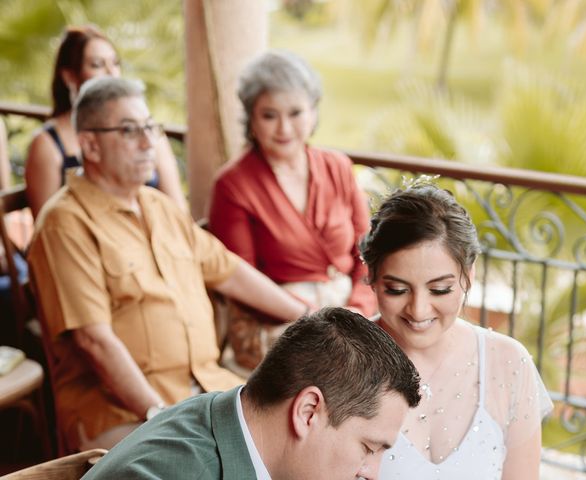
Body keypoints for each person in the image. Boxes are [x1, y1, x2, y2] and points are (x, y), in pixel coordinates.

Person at [27, 76, 311, 453]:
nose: (149, 143)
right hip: (124, 411)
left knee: (305, 437)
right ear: (91, 145)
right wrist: (162, 418)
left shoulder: (158, 206)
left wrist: (309, 317)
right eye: (129, 131)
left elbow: (228, 270)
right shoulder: (65, 223)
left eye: (150, 128)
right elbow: (94, 342)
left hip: (207, 388)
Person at [82, 307, 421, 480]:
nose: (372, 472)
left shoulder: (231, 420)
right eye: (368, 448)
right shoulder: (177, 473)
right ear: (307, 411)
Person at [359, 181, 554, 479]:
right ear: (371, 275)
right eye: (397, 289)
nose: (419, 310)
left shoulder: (509, 364)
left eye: (440, 289)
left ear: (469, 274)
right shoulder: (343, 363)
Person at [209, 50, 376, 371]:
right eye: (269, 115)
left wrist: (360, 307)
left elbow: (368, 252)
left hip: (351, 310)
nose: (284, 128)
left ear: (313, 113)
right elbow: (239, 279)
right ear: (251, 120)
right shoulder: (232, 185)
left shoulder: (337, 166)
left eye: (296, 112)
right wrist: (309, 315)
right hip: (281, 319)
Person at [25, 25, 186, 219]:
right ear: (69, 76)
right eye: (97, 65)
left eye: (115, 63)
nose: (111, 72)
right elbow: (47, 227)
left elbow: (179, 213)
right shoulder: (47, 144)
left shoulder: (151, 136)